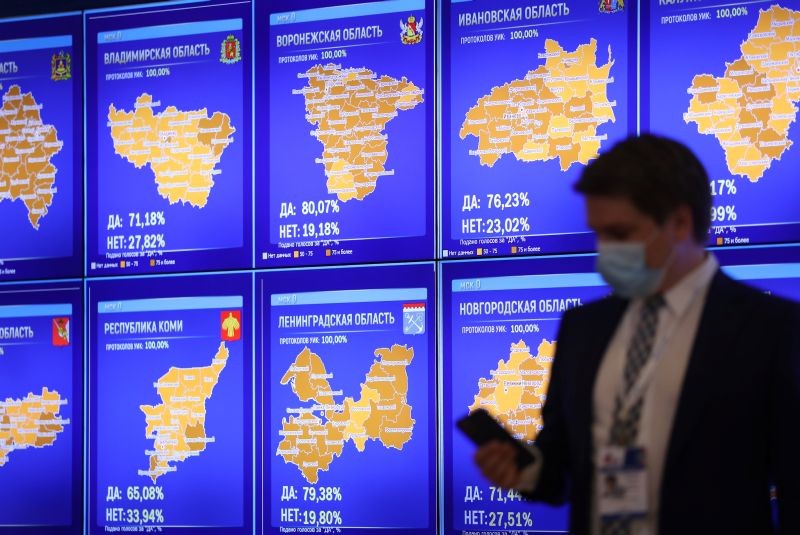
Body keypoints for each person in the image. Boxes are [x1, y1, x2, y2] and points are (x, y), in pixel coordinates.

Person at [474, 134, 800, 535]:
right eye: (598, 234)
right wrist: (524, 470)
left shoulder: (771, 329)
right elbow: (566, 465)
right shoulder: (583, 328)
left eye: (620, 234)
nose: (604, 251)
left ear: (680, 222)